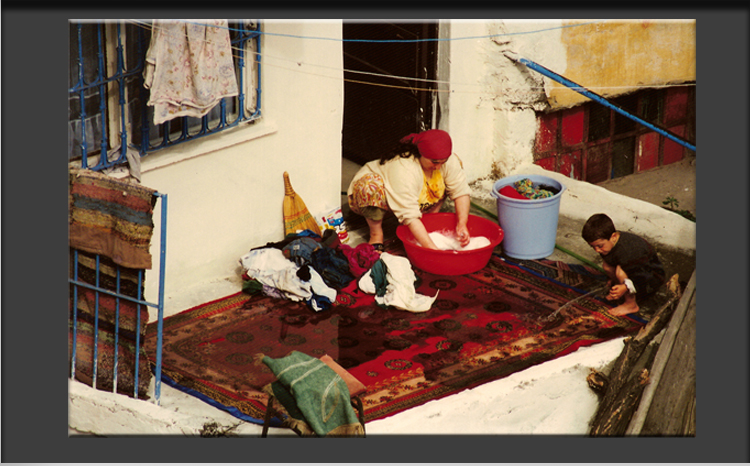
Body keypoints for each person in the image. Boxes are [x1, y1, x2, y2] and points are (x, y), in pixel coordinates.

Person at [347, 129, 472, 251]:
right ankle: (376, 234)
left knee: (454, 170)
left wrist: (462, 224)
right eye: (434, 162)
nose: (438, 166)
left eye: (442, 162)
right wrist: (432, 250)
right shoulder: (404, 168)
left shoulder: (447, 161)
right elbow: (409, 215)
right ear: (421, 154)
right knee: (370, 187)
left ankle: (428, 219)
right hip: (375, 201)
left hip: (412, 198)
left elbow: (460, 191)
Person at [582, 213, 666, 316]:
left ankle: (631, 304)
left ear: (613, 237)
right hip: (635, 272)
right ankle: (620, 290)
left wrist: (626, 287)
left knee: (620, 272)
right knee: (607, 266)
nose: (597, 250)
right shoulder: (610, 245)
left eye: (600, 246)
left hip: (650, 278)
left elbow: (643, 276)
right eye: (593, 247)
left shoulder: (629, 251)